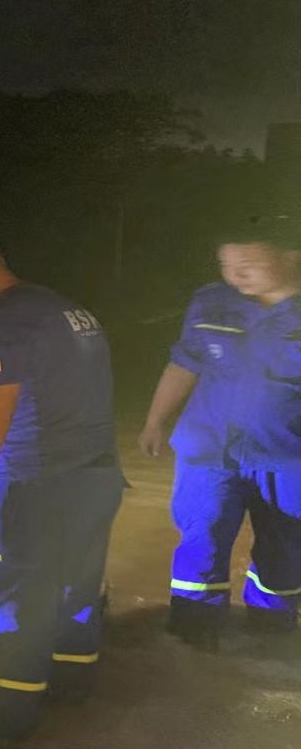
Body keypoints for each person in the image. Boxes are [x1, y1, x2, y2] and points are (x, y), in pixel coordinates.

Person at [0, 240, 124, 742]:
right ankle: (73, 688)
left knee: (6, 597)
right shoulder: (65, 309)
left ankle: (8, 717)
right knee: (77, 583)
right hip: (95, 475)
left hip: (34, 484)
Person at [138, 220, 300, 650]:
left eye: (248, 262)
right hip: (208, 449)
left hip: (287, 455)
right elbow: (185, 363)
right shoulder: (212, 301)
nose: (235, 274)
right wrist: (155, 421)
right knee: (202, 533)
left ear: (290, 256)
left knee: (286, 541)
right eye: (226, 264)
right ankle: (192, 631)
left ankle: (271, 626)